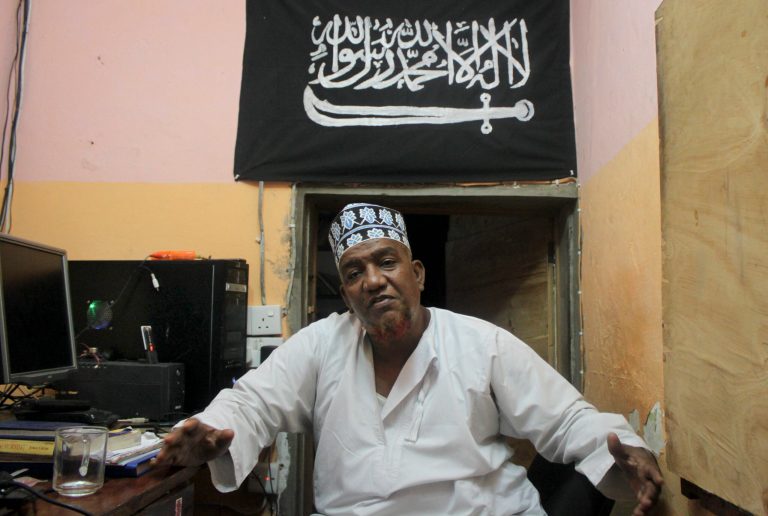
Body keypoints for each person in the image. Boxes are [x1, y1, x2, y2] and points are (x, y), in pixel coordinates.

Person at [156, 202, 663, 515]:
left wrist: (627, 448)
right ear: (347, 293)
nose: (372, 280)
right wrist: (214, 428)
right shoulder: (320, 345)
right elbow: (251, 404)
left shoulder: (481, 343)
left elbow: (568, 421)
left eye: (386, 262)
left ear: (416, 273)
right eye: (354, 273)